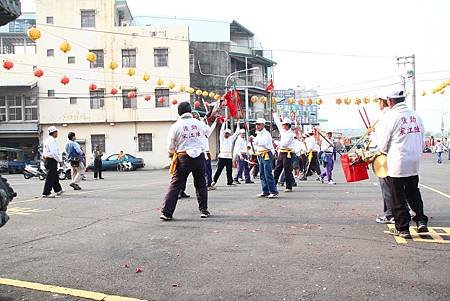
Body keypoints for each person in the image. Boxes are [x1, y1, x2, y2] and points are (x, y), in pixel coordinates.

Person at [377, 90, 429, 238]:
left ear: (390, 101)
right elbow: (422, 138)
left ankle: (403, 228)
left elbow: (382, 145)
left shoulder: (391, 117)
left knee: (397, 195)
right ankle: (420, 220)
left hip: (397, 162)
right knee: (413, 192)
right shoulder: (415, 115)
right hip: (414, 162)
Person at [160, 102, 210, 221]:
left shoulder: (175, 126)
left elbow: (171, 146)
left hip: (183, 158)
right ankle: (204, 210)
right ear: (190, 111)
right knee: (201, 184)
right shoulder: (199, 123)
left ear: (179, 112)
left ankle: (167, 213)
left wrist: (172, 154)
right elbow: (207, 132)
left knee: (176, 185)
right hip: (199, 157)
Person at [371, 97, 395, 224]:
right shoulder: (395, 114)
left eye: (378, 102)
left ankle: (390, 214)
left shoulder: (384, 117)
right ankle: (403, 211)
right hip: (400, 157)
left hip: (385, 155)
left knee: (386, 186)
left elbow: (382, 141)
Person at [250, 118, 278, 198]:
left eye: (258, 124)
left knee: (267, 173)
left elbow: (264, 143)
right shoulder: (258, 134)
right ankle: (265, 191)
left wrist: (254, 140)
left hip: (267, 154)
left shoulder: (266, 134)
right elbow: (257, 145)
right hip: (260, 154)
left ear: (263, 125)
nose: (257, 126)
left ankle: (273, 191)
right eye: (256, 124)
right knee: (262, 174)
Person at [211, 119, 240, 187]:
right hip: (222, 157)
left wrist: (238, 124)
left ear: (229, 134)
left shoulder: (231, 139)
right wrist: (224, 122)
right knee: (219, 170)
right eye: (225, 133)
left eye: (228, 133)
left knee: (229, 170)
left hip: (229, 157)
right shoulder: (222, 138)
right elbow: (221, 131)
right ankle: (214, 181)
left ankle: (230, 182)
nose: (226, 134)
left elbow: (237, 133)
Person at [272, 113, 295, 192]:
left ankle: (289, 187)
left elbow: (284, 144)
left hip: (287, 153)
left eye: (284, 125)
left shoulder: (291, 134)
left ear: (288, 125)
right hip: (281, 153)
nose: (283, 126)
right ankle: (273, 185)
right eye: (283, 125)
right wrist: (274, 114)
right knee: (277, 169)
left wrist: (275, 141)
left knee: (287, 170)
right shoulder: (283, 131)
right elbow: (278, 123)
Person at [42, 126, 64, 198]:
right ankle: (46, 192)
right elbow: (54, 153)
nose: (57, 133)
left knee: (54, 176)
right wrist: (60, 161)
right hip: (51, 160)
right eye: (56, 132)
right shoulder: (51, 141)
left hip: (49, 159)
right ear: (54, 132)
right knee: (50, 177)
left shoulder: (48, 140)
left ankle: (58, 190)